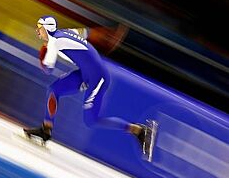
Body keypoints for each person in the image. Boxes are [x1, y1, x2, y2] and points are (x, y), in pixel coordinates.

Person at [24, 15, 156, 158]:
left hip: (98, 78)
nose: (37, 31)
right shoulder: (68, 31)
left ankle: (139, 130)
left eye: (39, 28)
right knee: (54, 90)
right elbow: (87, 32)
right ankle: (46, 130)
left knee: (91, 121)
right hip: (85, 74)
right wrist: (109, 35)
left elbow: (48, 70)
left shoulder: (53, 42)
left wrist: (42, 56)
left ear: (47, 29)